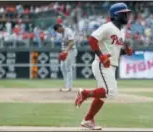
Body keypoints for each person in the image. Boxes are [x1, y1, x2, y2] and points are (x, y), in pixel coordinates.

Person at [74, 2, 133, 130]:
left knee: (104, 96)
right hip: (103, 64)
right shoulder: (108, 27)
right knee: (110, 92)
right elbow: (92, 39)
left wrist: (125, 52)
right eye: (124, 14)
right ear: (115, 15)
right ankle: (84, 93)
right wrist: (101, 56)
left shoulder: (120, 31)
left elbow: (114, 51)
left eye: (127, 13)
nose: (127, 16)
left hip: (110, 65)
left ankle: (88, 120)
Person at [53, 24, 77, 92]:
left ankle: (69, 87)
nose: (58, 32)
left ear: (60, 27)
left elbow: (71, 42)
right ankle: (66, 85)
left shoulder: (68, 31)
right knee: (62, 67)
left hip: (71, 51)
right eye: (57, 31)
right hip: (66, 51)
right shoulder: (62, 33)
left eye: (58, 30)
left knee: (68, 67)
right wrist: (64, 51)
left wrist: (66, 50)